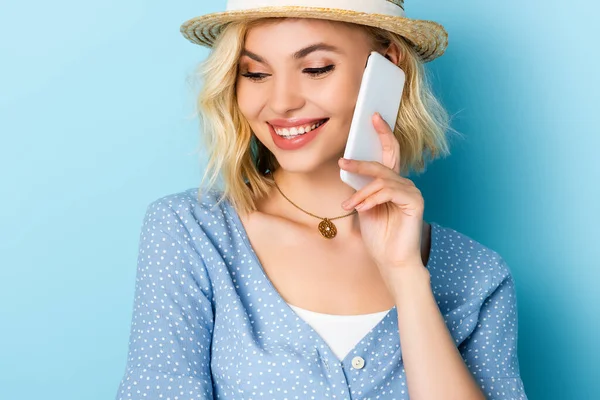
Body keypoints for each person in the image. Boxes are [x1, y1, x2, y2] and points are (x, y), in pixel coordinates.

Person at [115, 1, 528, 399]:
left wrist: (406, 275)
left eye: (316, 69)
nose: (280, 102)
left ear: (387, 67)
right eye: (255, 73)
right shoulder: (191, 232)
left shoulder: (478, 277)